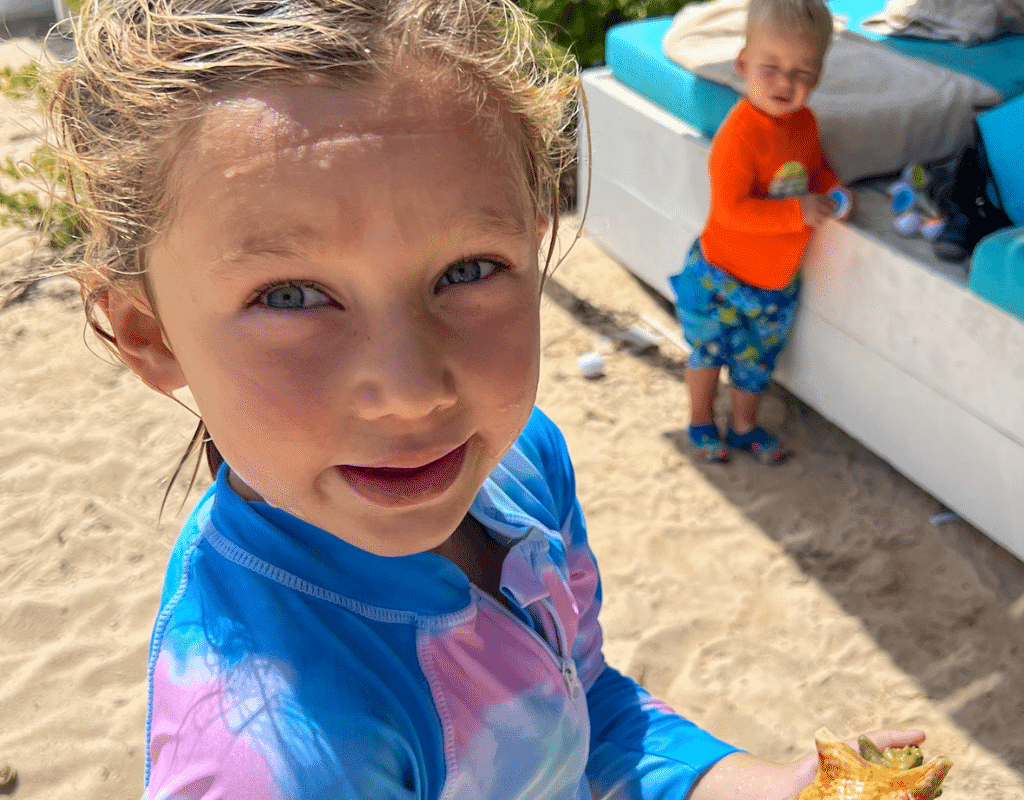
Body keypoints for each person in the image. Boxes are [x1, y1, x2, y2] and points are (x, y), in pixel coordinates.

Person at [44, 0, 914, 796]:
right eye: (291, 295)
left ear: (533, 247)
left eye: (468, 271)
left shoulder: (520, 461)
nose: (415, 394)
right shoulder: (271, 759)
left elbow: (583, 712)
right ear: (150, 335)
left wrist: (765, 786)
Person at [672, 0, 848, 465]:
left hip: (774, 284)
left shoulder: (805, 125)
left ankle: (744, 426)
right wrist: (797, 213)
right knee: (708, 353)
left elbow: (816, 170)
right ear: (743, 63)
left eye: (802, 71)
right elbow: (730, 212)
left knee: (755, 362)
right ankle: (701, 420)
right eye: (770, 66)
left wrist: (833, 191)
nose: (785, 82)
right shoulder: (739, 135)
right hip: (721, 274)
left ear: (819, 75)